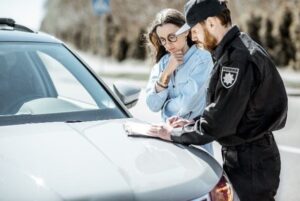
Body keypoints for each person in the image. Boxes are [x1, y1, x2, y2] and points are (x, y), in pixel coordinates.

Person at [145, 0, 288, 200]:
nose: (193, 36)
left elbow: (217, 124)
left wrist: (174, 133)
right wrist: (192, 123)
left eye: (194, 29)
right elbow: (223, 111)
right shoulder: (236, 50)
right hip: (249, 157)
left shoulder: (237, 60)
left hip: (251, 162)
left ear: (211, 23)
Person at [144, 8, 214, 154]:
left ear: (186, 31)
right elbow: (152, 104)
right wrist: (167, 73)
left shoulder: (202, 59)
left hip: (194, 140)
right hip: (167, 140)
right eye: (163, 40)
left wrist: (166, 107)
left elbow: (187, 104)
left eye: (172, 37)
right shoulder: (163, 64)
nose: (168, 45)